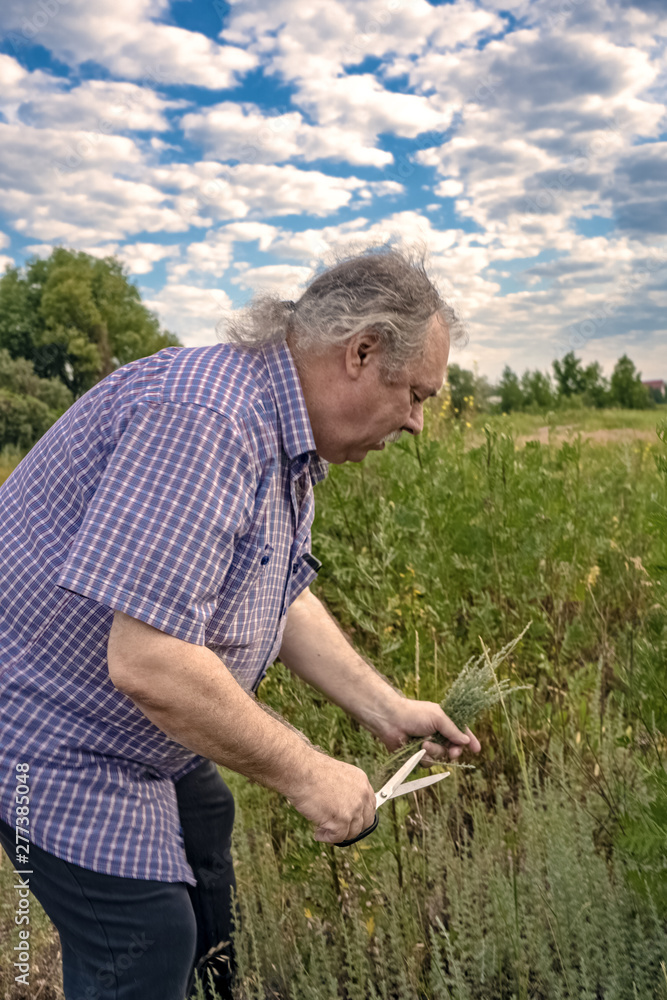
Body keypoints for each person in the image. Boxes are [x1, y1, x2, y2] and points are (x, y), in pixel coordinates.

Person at [0, 246, 481, 1000]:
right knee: (144, 940)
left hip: (126, 729)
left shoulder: (282, 435)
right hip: (47, 735)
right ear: (360, 353)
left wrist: (384, 707)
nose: (418, 423)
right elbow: (149, 662)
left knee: (206, 842)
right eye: (415, 394)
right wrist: (309, 773)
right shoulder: (208, 419)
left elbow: (275, 596)